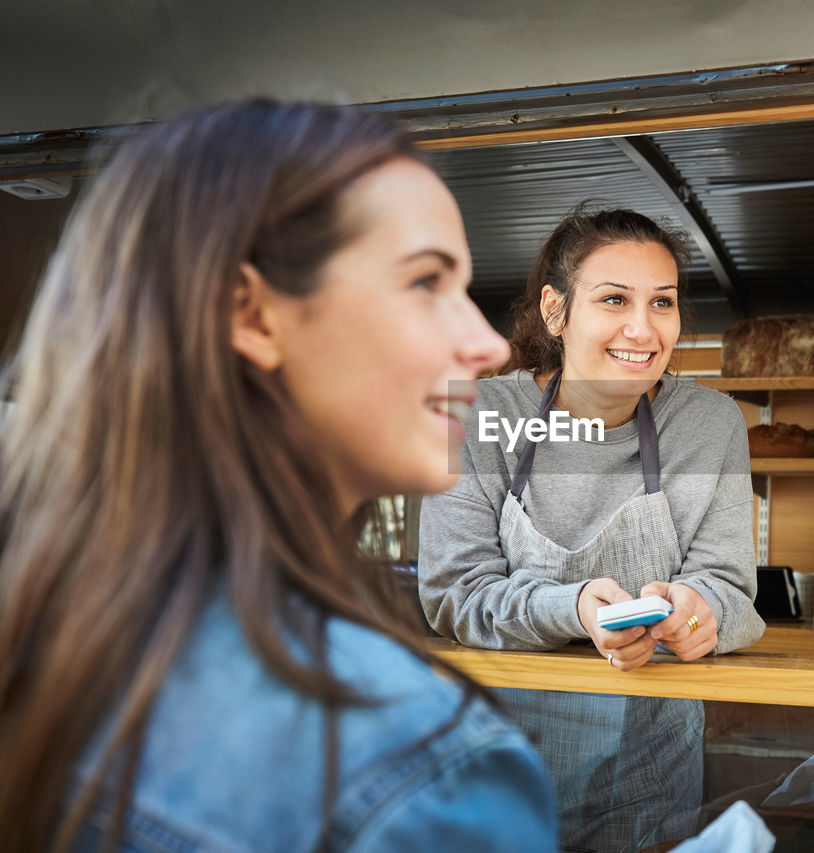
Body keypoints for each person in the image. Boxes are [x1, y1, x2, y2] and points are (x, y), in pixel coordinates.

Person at [0, 99, 557, 851]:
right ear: (254, 317)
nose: (489, 345)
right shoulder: (416, 765)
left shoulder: (45, 634)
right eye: (427, 283)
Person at [419, 205, 766, 852]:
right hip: (503, 763)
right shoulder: (480, 414)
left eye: (662, 302)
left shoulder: (708, 424)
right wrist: (575, 608)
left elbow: (729, 587)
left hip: (654, 765)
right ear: (556, 311)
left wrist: (699, 612)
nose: (643, 327)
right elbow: (454, 593)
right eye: (614, 299)